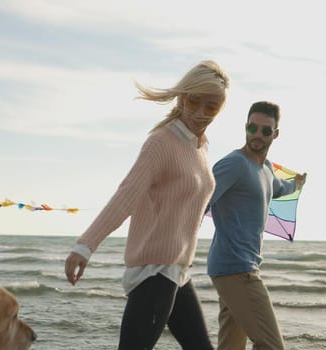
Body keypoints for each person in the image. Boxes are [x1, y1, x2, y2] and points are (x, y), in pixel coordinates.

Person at [64, 60, 229, 350]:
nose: (201, 113)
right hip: (154, 273)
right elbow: (127, 195)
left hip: (177, 272)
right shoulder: (161, 143)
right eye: (195, 101)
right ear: (181, 97)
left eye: (211, 107)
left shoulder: (199, 146)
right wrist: (85, 246)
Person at [207, 101, 306, 350]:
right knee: (272, 345)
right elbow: (201, 199)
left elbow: (279, 189)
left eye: (265, 130)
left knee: (231, 345)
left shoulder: (266, 169)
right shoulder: (234, 164)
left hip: (236, 268)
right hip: (237, 269)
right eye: (252, 128)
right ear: (245, 128)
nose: (257, 135)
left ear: (275, 134)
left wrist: (297, 185)